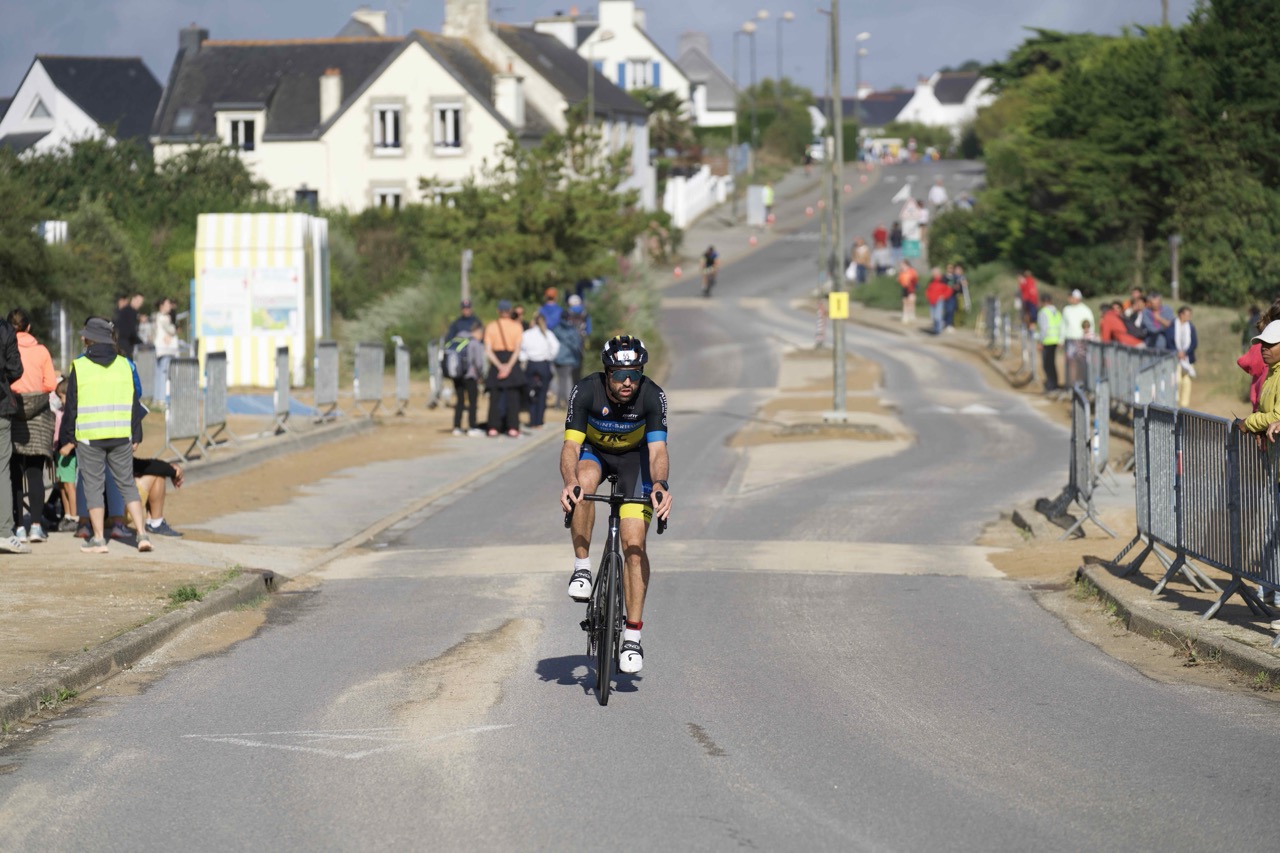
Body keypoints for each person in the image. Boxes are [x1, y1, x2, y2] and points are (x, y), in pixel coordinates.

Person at [558, 335, 672, 675]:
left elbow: (657, 451)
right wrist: (569, 481)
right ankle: (582, 566)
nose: (627, 382)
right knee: (583, 484)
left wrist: (661, 484)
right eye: (621, 375)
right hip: (595, 454)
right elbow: (570, 447)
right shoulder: (585, 390)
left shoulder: (652, 395)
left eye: (635, 375)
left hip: (635, 461)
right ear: (607, 373)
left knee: (633, 545)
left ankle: (632, 637)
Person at [56, 316, 153, 553]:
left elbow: (71, 406)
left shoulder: (79, 366)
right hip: (121, 434)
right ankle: (142, 535)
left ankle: (99, 539)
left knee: (93, 487)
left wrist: (68, 436)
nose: (82, 338)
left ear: (91, 339)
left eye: (85, 335)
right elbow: (133, 402)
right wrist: (136, 434)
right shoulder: (124, 364)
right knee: (127, 484)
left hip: (90, 436)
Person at [7, 309, 58, 543]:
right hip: (38, 419)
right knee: (35, 473)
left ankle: (18, 526)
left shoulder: (6, 349)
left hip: (12, 415)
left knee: (14, 474)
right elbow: (50, 384)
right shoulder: (41, 351)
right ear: (28, 327)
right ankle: (36, 526)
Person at [0, 315, 28, 554]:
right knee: (1, 469)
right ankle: (3, 532)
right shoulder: (5, 329)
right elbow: (15, 369)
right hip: (0, 406)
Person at [484, 300, 525, 438]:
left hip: (497, 361)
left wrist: (499, 366)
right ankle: (513, 427)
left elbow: (488, 350)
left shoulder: (491, 326)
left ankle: (493, 427)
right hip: (511, 361)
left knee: (494, 397)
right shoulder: (517, 326)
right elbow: (517, 349)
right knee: (513, 397)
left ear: (498, 311)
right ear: (510, 311)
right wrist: (508, 366)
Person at [520, 312, 560, 429]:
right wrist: (549, 357)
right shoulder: (548, 333)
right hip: (543, 364)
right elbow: (556, 346)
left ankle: (532, 421)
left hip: (531, 364)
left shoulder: (527, 334)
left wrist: (524, 358)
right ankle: (539, 421)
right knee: (542, 394)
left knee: (531, 393)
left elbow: (521, 349)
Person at [52, 377, 79, 533]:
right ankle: (67, 514)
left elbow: (77, 435)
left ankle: (74, 517)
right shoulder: (61, 412)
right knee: (62, 485)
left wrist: (69, 446)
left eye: (61, 397)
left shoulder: (73, 414)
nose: (60, 401)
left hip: (69, 453)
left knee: (69, 485)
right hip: (60, 453)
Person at [134, 457, 185, 536]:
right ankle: (156, 523)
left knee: (151, 470)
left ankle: (152, 522)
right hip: (118, 513)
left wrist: (170, 467)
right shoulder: (119, 453)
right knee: (157, 473)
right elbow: (139, 465)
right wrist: (173, 471)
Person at [450, 326, 485, 436]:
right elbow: (478, 363)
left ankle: (457, 426)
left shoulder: (457, 340)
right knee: (472, 402)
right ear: (478, 332)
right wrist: (480, 375)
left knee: (460, 401)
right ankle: (472, 426)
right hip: (470, 376)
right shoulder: (474, 343)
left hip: (457, 375)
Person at [1060, 289, 1094, 388]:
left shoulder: (1085, 310)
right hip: (1070, 340)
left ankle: (1081, 384)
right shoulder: (1067, 309)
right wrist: (1061, 339)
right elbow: (1063, 325)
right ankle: (1071, 385)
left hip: (1081, 340)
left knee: (1081, 363)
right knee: (1071, 363)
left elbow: (1090, 324)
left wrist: (1089, 337)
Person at [551, 309, 584, 409]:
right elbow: (577, 345)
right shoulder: (572, 330)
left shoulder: (556, 328)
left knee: (560, 381)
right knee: (565, 381)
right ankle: (564, 402)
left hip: (557, 358)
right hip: (568, 359)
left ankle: (559, 402)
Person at [1166, 305, 1197, 408]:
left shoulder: (1191, 327)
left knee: (1187, 382)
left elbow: (1194, 343)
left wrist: (1185, 352)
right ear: (1181, 314)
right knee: (1177, 380)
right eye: (1187, 314)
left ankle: (1184, 405)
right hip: (1175, 358)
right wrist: (1177, 352)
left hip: (1187, 358)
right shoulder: (1172, 325)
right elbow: (1169, 340)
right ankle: (1175, 401)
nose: (1188, 317)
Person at [152, 296, 181, 391]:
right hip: (165, 350)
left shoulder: (157, 316)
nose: (170, 306)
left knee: (160, 373)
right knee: (164, 374)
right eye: (167, 304)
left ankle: (159, 396)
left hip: (162, 350)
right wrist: (174, 328)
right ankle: (163, 396)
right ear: (161, 306)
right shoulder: (163, 317)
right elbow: (172, 330)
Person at [1037, 293, 1063, 393]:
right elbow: (1061, 326)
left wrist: (1040, 342)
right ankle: (1054, 384)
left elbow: (1044, 328)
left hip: (1047, 341)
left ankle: (1051, 386)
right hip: (1055, 341)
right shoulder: (1057, 312)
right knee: (1052, 364)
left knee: (1047, 364)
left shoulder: (1043, 312)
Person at [114, 292, 143, 360]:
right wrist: (141, 342)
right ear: (133, 299)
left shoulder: (125, 310)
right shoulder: (130, 312)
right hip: (125, 343)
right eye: (138, 301)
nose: (139, 303)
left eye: (141, 302)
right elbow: (132, 330)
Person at [924, 267, 951, 335]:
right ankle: (935, 328)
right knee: (933, 316)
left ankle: (938, 330)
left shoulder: (944, 280)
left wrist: (943, 296)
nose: (933, 274)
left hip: (939, 301)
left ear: (938, 273)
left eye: (934, 273)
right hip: (932, 301)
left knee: (937, 316)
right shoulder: (931, 281)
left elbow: (949, 290)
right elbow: (928, 290)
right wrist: (928, 296)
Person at [897, 259, 918, 324]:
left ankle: (911, 314)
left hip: (911, 288)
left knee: (911, 301)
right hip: (904, 288)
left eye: (902, 265)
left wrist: (911, 282)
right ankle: (905, 315)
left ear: (906, 265)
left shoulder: (912, 271)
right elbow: (899, 280)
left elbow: (915, 278)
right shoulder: (902, 272)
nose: (901, 266)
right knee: (905, 302)